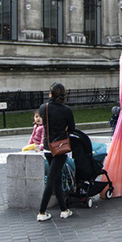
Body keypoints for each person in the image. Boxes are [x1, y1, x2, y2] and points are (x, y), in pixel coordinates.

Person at [37, 82, 75, 222]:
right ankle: (41, 211)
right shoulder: (66, 110)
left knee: (56, 178)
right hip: (60, 147)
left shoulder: (43, 108)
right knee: (52, 179)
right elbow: (72, 128)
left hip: (47, 147)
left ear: (51, 93)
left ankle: (64, 209)